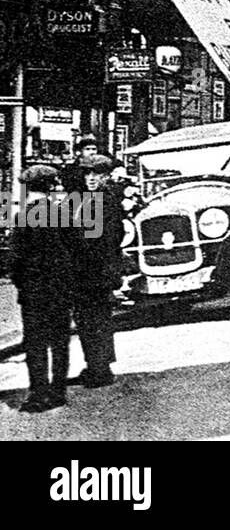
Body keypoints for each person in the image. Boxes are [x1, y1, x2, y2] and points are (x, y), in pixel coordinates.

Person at [12, 165, 74, 413]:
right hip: (59, 288)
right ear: (51, 187)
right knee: (59, 341)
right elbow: (75, 251)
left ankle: (39, 394)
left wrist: (22, 283)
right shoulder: (64, 215)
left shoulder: (22, 217)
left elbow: (15, 260)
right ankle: (58, 391)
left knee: (35, 342)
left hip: (33, 291)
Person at [66, 154, 123, 387]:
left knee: (94, 320)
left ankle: (99, 370)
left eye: (96, 174)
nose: (90, 178)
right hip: (89, 270)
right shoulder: (87, 198)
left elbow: (95, 239)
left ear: (106, 176)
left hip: (95, 271)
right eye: (87, 174)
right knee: (90, 319)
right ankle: (98, 366)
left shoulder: (104, 201)